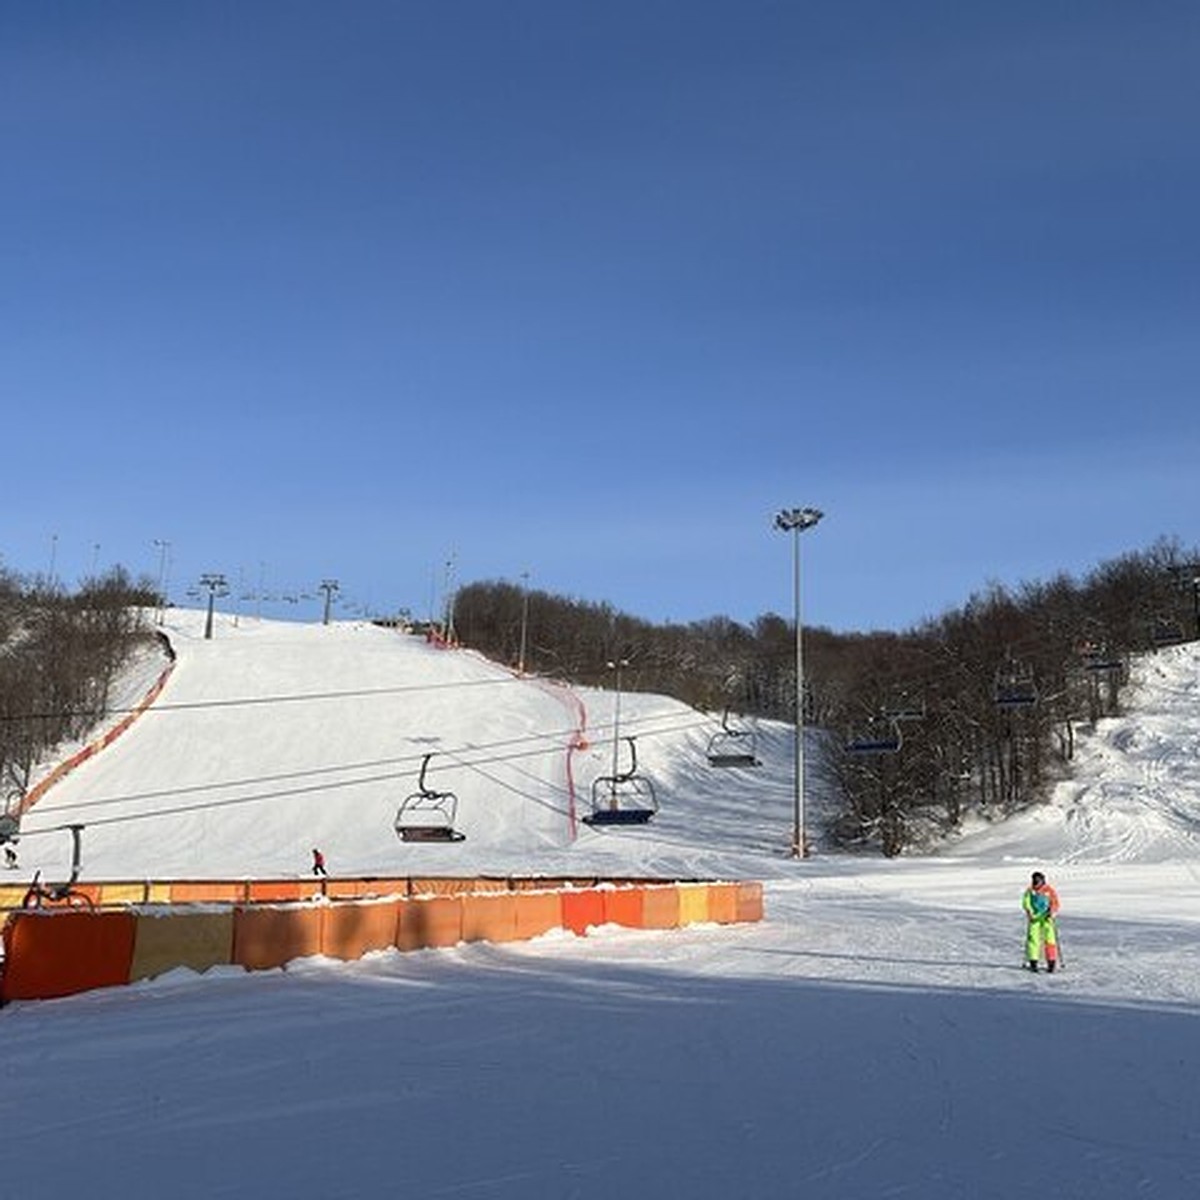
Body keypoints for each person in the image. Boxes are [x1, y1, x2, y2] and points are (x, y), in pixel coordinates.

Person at [1022, 870, 1060, 972]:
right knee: (1033, 940)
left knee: (1050, 940)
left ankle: (1051, 962)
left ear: (1042, 880)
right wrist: (1029, 912)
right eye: (1035, 881)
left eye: (1038, 881)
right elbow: (1026, 902)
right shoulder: (1030, 891)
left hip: (1047, 918)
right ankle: (1033, 962)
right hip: (1035, 918)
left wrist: (1051, 912)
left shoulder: (1049, 890)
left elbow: (1055, 902)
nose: (1036, 883)